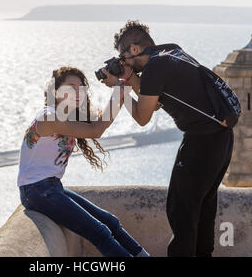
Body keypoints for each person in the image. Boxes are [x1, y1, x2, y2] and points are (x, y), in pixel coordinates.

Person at [100, 20, 234, 257]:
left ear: (133, 49)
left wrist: (119, 90)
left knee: (181, 212)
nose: (123, 63)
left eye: (123, 57)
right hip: (221, 139)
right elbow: (158, 101)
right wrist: (130, 80)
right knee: (203, 208)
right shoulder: (171, 51)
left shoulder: (154, 68)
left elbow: (143, 117)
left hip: (201, 143)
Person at [17, 66, 149, 257]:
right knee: (99, 232)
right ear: (56, 91)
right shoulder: (48, 116)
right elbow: (96, 130)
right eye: (71, 87)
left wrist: (123, 87)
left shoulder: (69, 115)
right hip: (36, 190)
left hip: (50, 187)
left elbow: (102, 120)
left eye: (81, 87)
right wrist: (119, 92)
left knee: (110, 222)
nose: (78, 92)